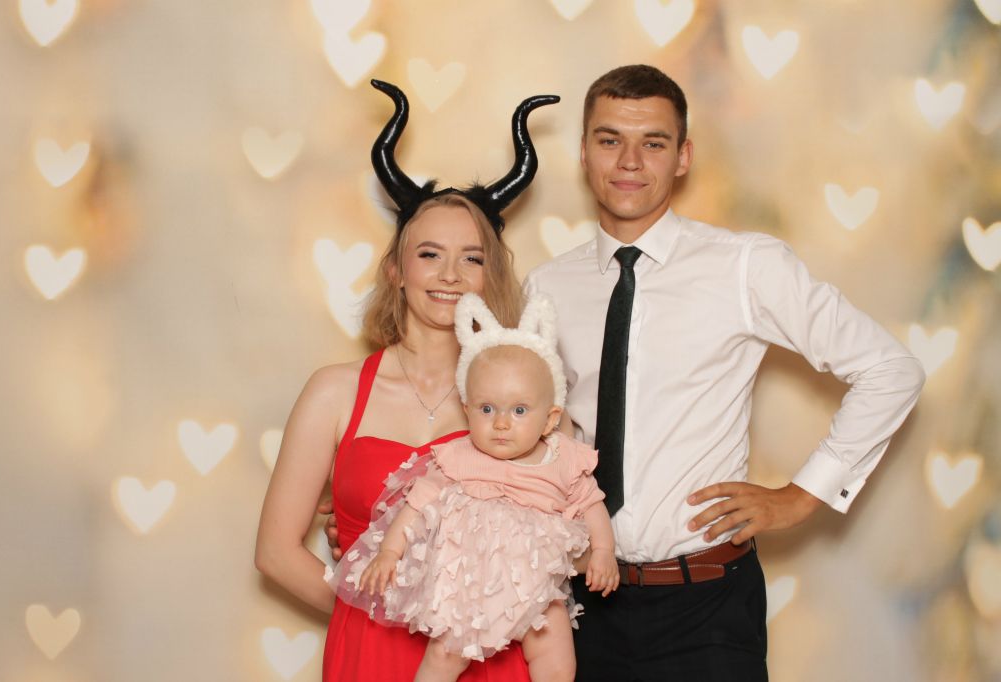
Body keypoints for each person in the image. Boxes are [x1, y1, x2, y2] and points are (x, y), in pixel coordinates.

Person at [521, 64, 926, 680]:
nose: (629, 161)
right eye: (609, 140)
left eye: (653, 143)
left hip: (708, 607)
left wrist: (800, 497)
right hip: (583, 603)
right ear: (583, 152)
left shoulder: (744, 266)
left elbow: (891, 369)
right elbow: (531, 433)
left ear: (683, 157)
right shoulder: (547, 286)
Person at [254, 79, 558, 681]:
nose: (450, 275)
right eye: (429, 255)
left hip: (487, 657)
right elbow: (275, 553)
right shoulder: (334, 392)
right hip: (372, 654)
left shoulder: (531, 395)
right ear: (396, 269)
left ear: (491, 275)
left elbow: (562, 535)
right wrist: (375, 612)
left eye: (472, 258)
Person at [327, 293, 619, 682]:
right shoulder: (460, 455)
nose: (501, 423)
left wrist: (604, 552)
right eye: (487, 409)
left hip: (536, 591)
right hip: (468, 592)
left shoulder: (562, 457)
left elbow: (592, 505)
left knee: (558, 660)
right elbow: (417, 504)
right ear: (467, 411)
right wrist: (389, 552)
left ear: (550, 419)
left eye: (519, 411)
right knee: (444, 656)